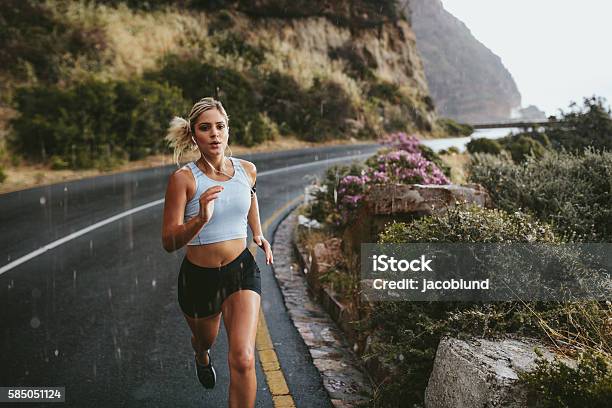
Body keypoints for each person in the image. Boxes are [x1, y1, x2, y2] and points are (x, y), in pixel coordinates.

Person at [161, 97, 273, 407]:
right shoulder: (183, 180)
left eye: (220, 127)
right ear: (194, 135)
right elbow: (169, 241)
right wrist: (200, 219)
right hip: (199, 279)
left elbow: (249, 197)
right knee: (204, 339)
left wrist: (259, 232)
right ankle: (200, 354)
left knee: (243, 358)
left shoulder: (247, 170)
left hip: (241, 270)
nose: (214, 134)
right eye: (205, 128)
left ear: (228, 131)